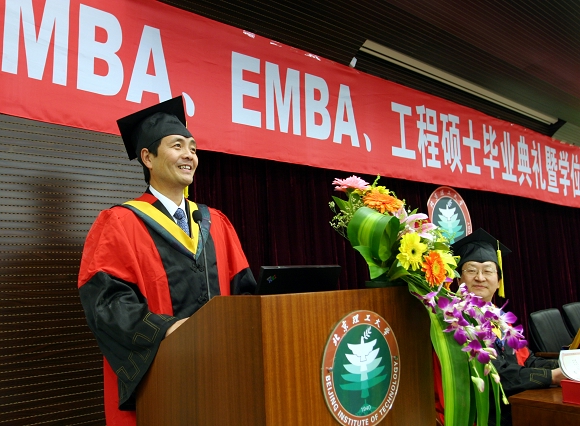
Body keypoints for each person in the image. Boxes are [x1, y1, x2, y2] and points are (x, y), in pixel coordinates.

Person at [77, 96, 256, 426]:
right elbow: (107, 304)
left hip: (219, 377)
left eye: (193, 148)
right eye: (177, 146)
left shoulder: (215, 223)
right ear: (148, 157)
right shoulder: (120, 223)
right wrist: (169, 328)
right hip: (159, 383)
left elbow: (245, 292)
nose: (189, 155)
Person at [446, 228, 563, 425]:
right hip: (484, 415)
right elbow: (494, 372)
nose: (480, 278)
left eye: (488, 271)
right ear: (459, 280)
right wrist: (550, 376)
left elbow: (527, 360)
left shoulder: (501, 319)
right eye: (471, 270)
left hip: (516, 407)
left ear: (499, 282)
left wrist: (564, 366)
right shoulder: (456, 322)